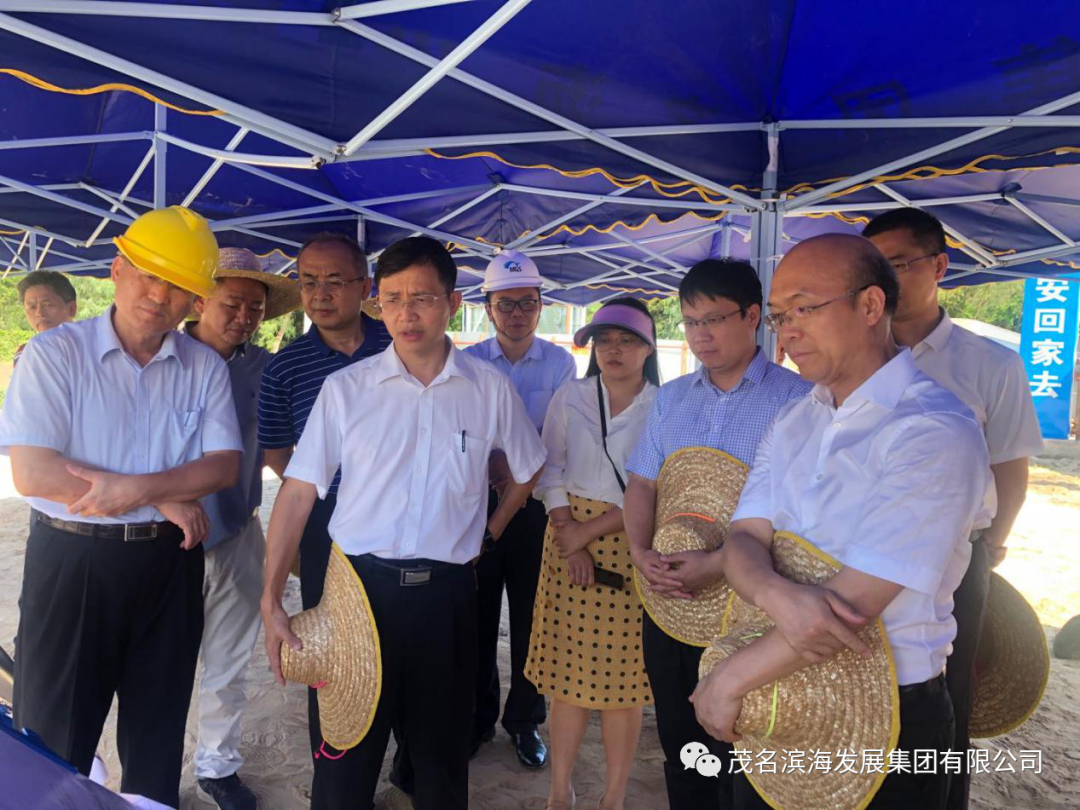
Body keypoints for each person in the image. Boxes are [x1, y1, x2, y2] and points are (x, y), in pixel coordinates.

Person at [693, 234, 991, 809]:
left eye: (804, 308)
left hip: (888, 708)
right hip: (775, 694)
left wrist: (729, 678)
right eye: (780, 317)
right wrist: (778, 595)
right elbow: (743, 537)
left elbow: (857, 601)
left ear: (871, 305)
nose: (788, 332)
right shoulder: (796, 419)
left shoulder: (933, 429)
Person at [260, 236, 547, 810]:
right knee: (344, 761)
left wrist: (491, 530)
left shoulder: (487, 389)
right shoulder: (347, 390)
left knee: (441, 763)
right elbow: (297, 492)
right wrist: (270, 599)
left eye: (422, 298)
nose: (406, 314)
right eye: (392, 299)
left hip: (447, 599)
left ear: (453, 303)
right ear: (378, 303)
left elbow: (529, 466)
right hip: (357, 594)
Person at [0, 206, 243, 808]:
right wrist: (167, 495)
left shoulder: (203, 366)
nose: (159, 296)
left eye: (178, 286)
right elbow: (34, 473)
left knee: (158, 728)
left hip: (169, 563)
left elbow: (223, 466)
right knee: (54, 734)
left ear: (194, 300)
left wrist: (139, 492)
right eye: (148, 275)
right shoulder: (56, 354)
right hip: (72, 560)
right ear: (117, 269)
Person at [864, 208, 1043, 809]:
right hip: (856, 555)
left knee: (946, 696)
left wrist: (990, 548)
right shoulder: (853, 356)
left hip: (953, 561)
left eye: (897, 264)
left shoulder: (990, 364)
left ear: (940, 266)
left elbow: (1009, 468)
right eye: (872, 268)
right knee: (855, 690)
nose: (883, 281)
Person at [623, 259, 810, 810]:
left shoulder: (799, 400)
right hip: (670, 597)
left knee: (746, 744)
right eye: (690, 322)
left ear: (752, 316)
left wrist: (721, 563)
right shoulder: (672, 397)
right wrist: (639, 552)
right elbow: (642, 484)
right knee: (682, 741)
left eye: (713, 319)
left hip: (756, 603)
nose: (700, 334)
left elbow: (797, 514)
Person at [256, 231, 391, 757]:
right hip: (322, 521)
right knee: (327, 638)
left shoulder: (399, 344)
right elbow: (277, 451)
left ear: (365, 286)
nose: (320, 294)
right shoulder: (284, 366)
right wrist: (317, 489)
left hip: (399, 516)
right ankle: (335, 752)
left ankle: (407, 761)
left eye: (334, 281)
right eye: (309, 282)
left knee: (400, 635)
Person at [527, 298, 660, 810]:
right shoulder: (573, 395)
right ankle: (560, 792)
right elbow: (550, 468)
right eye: (604, 340)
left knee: (624, 684)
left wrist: (587, 533)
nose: (613, 350)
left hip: (632, 542)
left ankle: (614, 797)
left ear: (648, 348)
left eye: (626, 340)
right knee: (569, 679)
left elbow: (658, 488)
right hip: (566, 537)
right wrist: (568, 533)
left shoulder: (664, 406)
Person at [186, 248, 301, 810]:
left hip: (236, 531)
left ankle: (216, 767)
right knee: (157, 663)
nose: (244, 316)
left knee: (228, 660)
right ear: (199, 300)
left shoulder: (266, 369)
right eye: (232, 303)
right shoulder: (163, 356)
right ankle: (151, 767)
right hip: (160, 542)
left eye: (255, 308)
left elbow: (280, 448)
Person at [464, 249, 576, 765]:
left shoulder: (560, 364)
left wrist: (515, 470)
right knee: (477, 616)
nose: (516, 314)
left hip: (535, 508)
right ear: (488, 307)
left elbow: (556, 439)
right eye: (505, 304)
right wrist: (498, 466)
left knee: (534, 617)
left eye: (527, 303)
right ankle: (477, 718)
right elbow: (464, 433)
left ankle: (525, 721)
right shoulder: (467, 362)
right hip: (478, 504)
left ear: (540, 305)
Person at [15, 269, 78, 363]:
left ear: (71, 309)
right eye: (32, 307)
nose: (39, 313)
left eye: (48, 305)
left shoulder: (92, 348)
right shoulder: (25, 353)